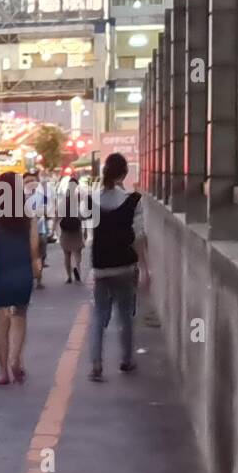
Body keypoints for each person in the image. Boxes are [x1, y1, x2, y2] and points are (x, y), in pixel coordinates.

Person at [88, 153, 149, 382]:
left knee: (99, 315)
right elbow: (139, 237)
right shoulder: (134, 200)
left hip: (101, 267)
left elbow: (91, 233)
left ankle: (96, 363)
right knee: (125, 315)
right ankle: (126, 359)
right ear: (124, 174)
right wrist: (145, 268)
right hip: (125, 266)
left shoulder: (92, 200)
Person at [0, 171, 41, 386]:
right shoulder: (27, 214)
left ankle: (3, 371)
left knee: (2, 323)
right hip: (22, 270)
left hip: (0, 271)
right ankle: (16, 360)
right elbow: (34, 247)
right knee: (19, 317)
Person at [59, 175, 86, 284]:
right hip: (76, 230)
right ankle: (77, 268)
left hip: (65, 230)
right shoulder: (79, 199)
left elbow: (58, 215)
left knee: (67, 255)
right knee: (77, 253)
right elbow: (82, 215)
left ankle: (69, 277)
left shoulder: (63, 200)